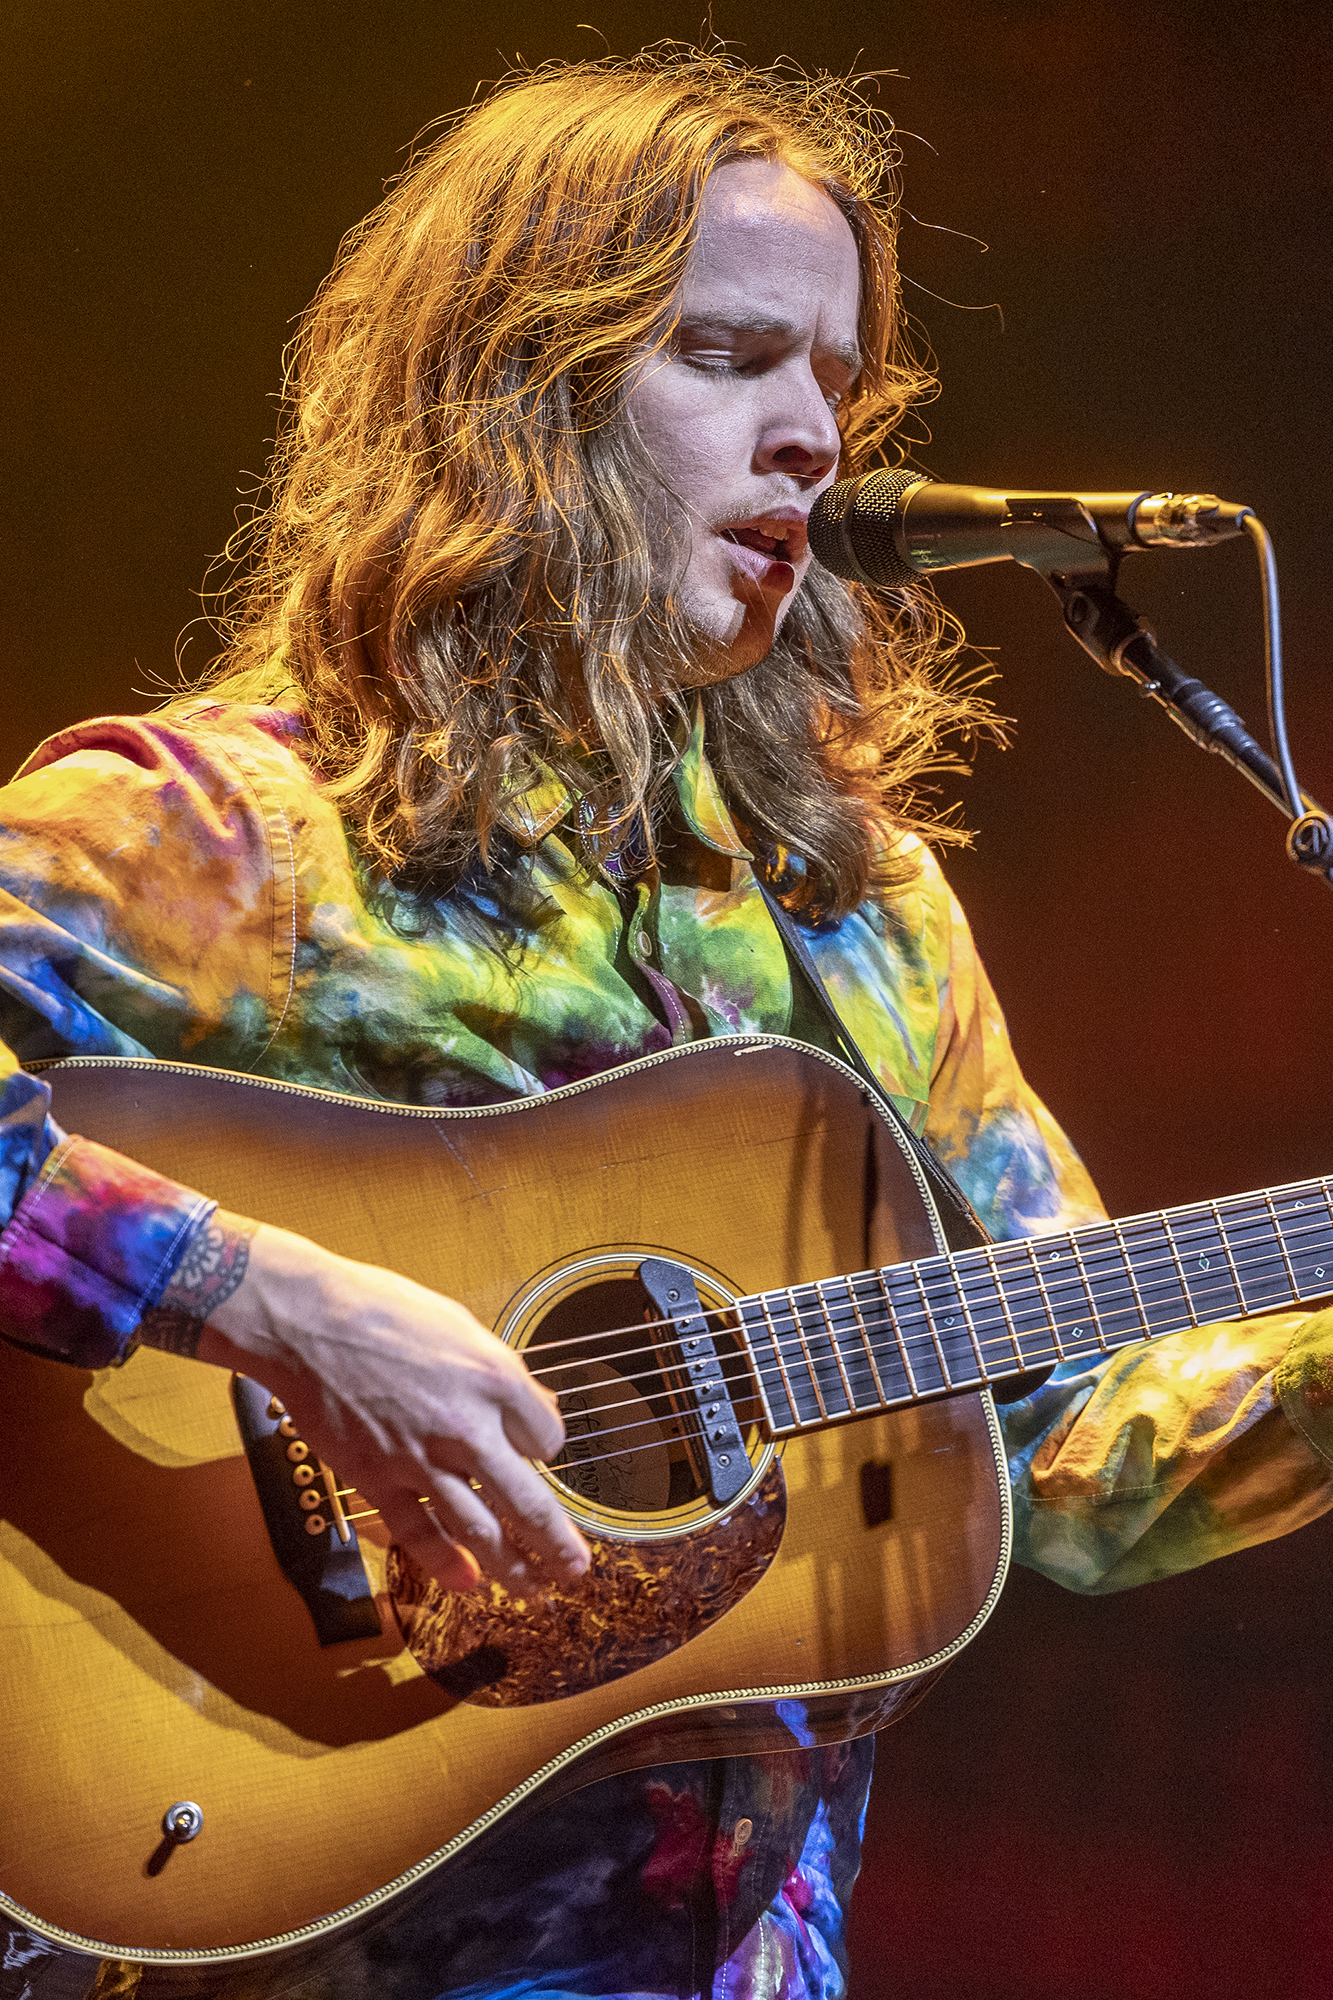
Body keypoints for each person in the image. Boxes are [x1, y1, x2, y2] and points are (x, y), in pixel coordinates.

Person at [4, 50, 1333, 2000]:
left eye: (839, 379)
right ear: (509, 395)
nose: (813, 434)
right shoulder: (215, 836)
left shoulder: (850, 911)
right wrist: (267, 1299)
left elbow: (1076, 1445)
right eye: (728, 356)